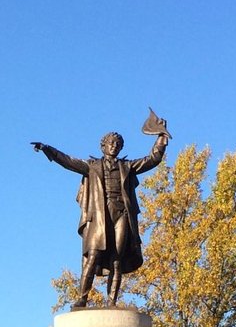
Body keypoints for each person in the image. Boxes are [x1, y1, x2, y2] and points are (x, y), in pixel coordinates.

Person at [31, 117, 170, 307]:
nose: (114, 146)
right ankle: (82, 298)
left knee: (117, 258)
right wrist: (48, 149)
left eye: (117, 144)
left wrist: (162, 138)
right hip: (99, 216)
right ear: (103, 146)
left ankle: (112, 301)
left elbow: (152, 159)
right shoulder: (92, 166)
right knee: (93, 255)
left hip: (121, 214)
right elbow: (68, 161)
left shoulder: (127, 167)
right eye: (110, 143)